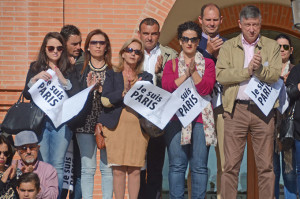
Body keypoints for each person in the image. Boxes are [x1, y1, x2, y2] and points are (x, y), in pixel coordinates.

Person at [216, 5, 281, 199]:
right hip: (236, 110)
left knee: (266, 167)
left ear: (260, 24)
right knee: (230, 166)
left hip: (263, 111)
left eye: (255, 25)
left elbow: (275, 74)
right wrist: (247, 71)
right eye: (247, 25)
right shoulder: (228, 46)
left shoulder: (272, 46)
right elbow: (221, 75)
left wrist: (260, 68)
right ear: (239, 24)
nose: (251, 29)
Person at [162, 21, 216, 199]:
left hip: (201, 120)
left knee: (199, 167)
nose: (189, 43)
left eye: (193, 39)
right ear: (180, 41)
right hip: (177, 120)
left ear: (199, 41)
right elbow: (168, 87)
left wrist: (194, 73)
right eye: (185, 39)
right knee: (177, 166)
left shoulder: (208, 64)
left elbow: (206, 88)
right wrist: (186, 74)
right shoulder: (171, 64)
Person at [98, 38, 152, 199]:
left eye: (137, 52)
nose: (133, 54)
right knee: (119, 170)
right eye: (130, 50)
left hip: (138, 129)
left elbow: (149, 103)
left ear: (140, 57)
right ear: (123, 53)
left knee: (135, 170)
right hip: (116, 128)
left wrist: (136, 91)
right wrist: (123, 93)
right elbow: (105, 100)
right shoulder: (112, 74)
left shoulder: (146, 77)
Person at [22, 32, 74, 197]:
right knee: (42, 164)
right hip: (40, 122)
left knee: (57, 165)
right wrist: (35, 78)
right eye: (51, 48)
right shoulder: (35, 67)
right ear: (45, 49)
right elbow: (27, 94)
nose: (55, 51)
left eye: (59, 48)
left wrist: (63, 80)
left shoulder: (69, 68)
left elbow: (75, 94)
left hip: (61, 123)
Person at [70, 29, 113, 199]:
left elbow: (116, 98)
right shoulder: (79, 69)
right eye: (94, 42)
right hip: (84, 122)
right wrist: (88, 90)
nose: (97, 46)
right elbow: (74, 98)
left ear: (106, 47)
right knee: (87, 169)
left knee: (107, 168)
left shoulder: (113, 70)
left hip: (107, 123)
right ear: (87, 47)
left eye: (101, 43)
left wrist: (102, 90)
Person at [137, 17, 177, 199]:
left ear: (159, 34)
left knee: (155, 167)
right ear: (140, 34)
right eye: (146, 33)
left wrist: (161, 74)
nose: (150, 38)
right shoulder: (132, 52)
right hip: (136, 115)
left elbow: (176, 86)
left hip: (160, 116)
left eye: (153, 34)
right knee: (136, 167)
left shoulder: (170, 54)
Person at [197, 4, 225, 199]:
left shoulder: (229, 44)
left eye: (215, 20)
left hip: (222, 106)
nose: (212, 23)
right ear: (201, 20)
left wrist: (219, 57)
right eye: (208, 20)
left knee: (225, 161)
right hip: (199, 108)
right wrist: (207, 52)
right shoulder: (192, 42)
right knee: (198, 161)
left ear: (221, 21)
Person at [60, 24, 83, 199]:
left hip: (79, 125)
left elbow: (77, 93)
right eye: (74, 44)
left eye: (80, 43)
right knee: (59, 169)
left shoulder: (83, 61)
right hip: (59, 127)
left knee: (79, 171)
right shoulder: (52, 64)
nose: (78, 48)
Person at [273, 34, 296, 199]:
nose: (282, 49)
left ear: (291, 50)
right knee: (272, 170)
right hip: (270, 125)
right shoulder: (266, 70)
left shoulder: (296, 70)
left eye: (285, 47)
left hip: (290, 125)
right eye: (278, 46)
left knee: (289, 170)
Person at [14, 130, 59, 199]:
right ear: (17, 151)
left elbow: (53, 196)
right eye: (24, 148)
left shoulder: (49, 169)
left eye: (32, 147)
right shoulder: (12, 166)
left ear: (38, 148)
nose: (28, 151)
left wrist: (33, 181)